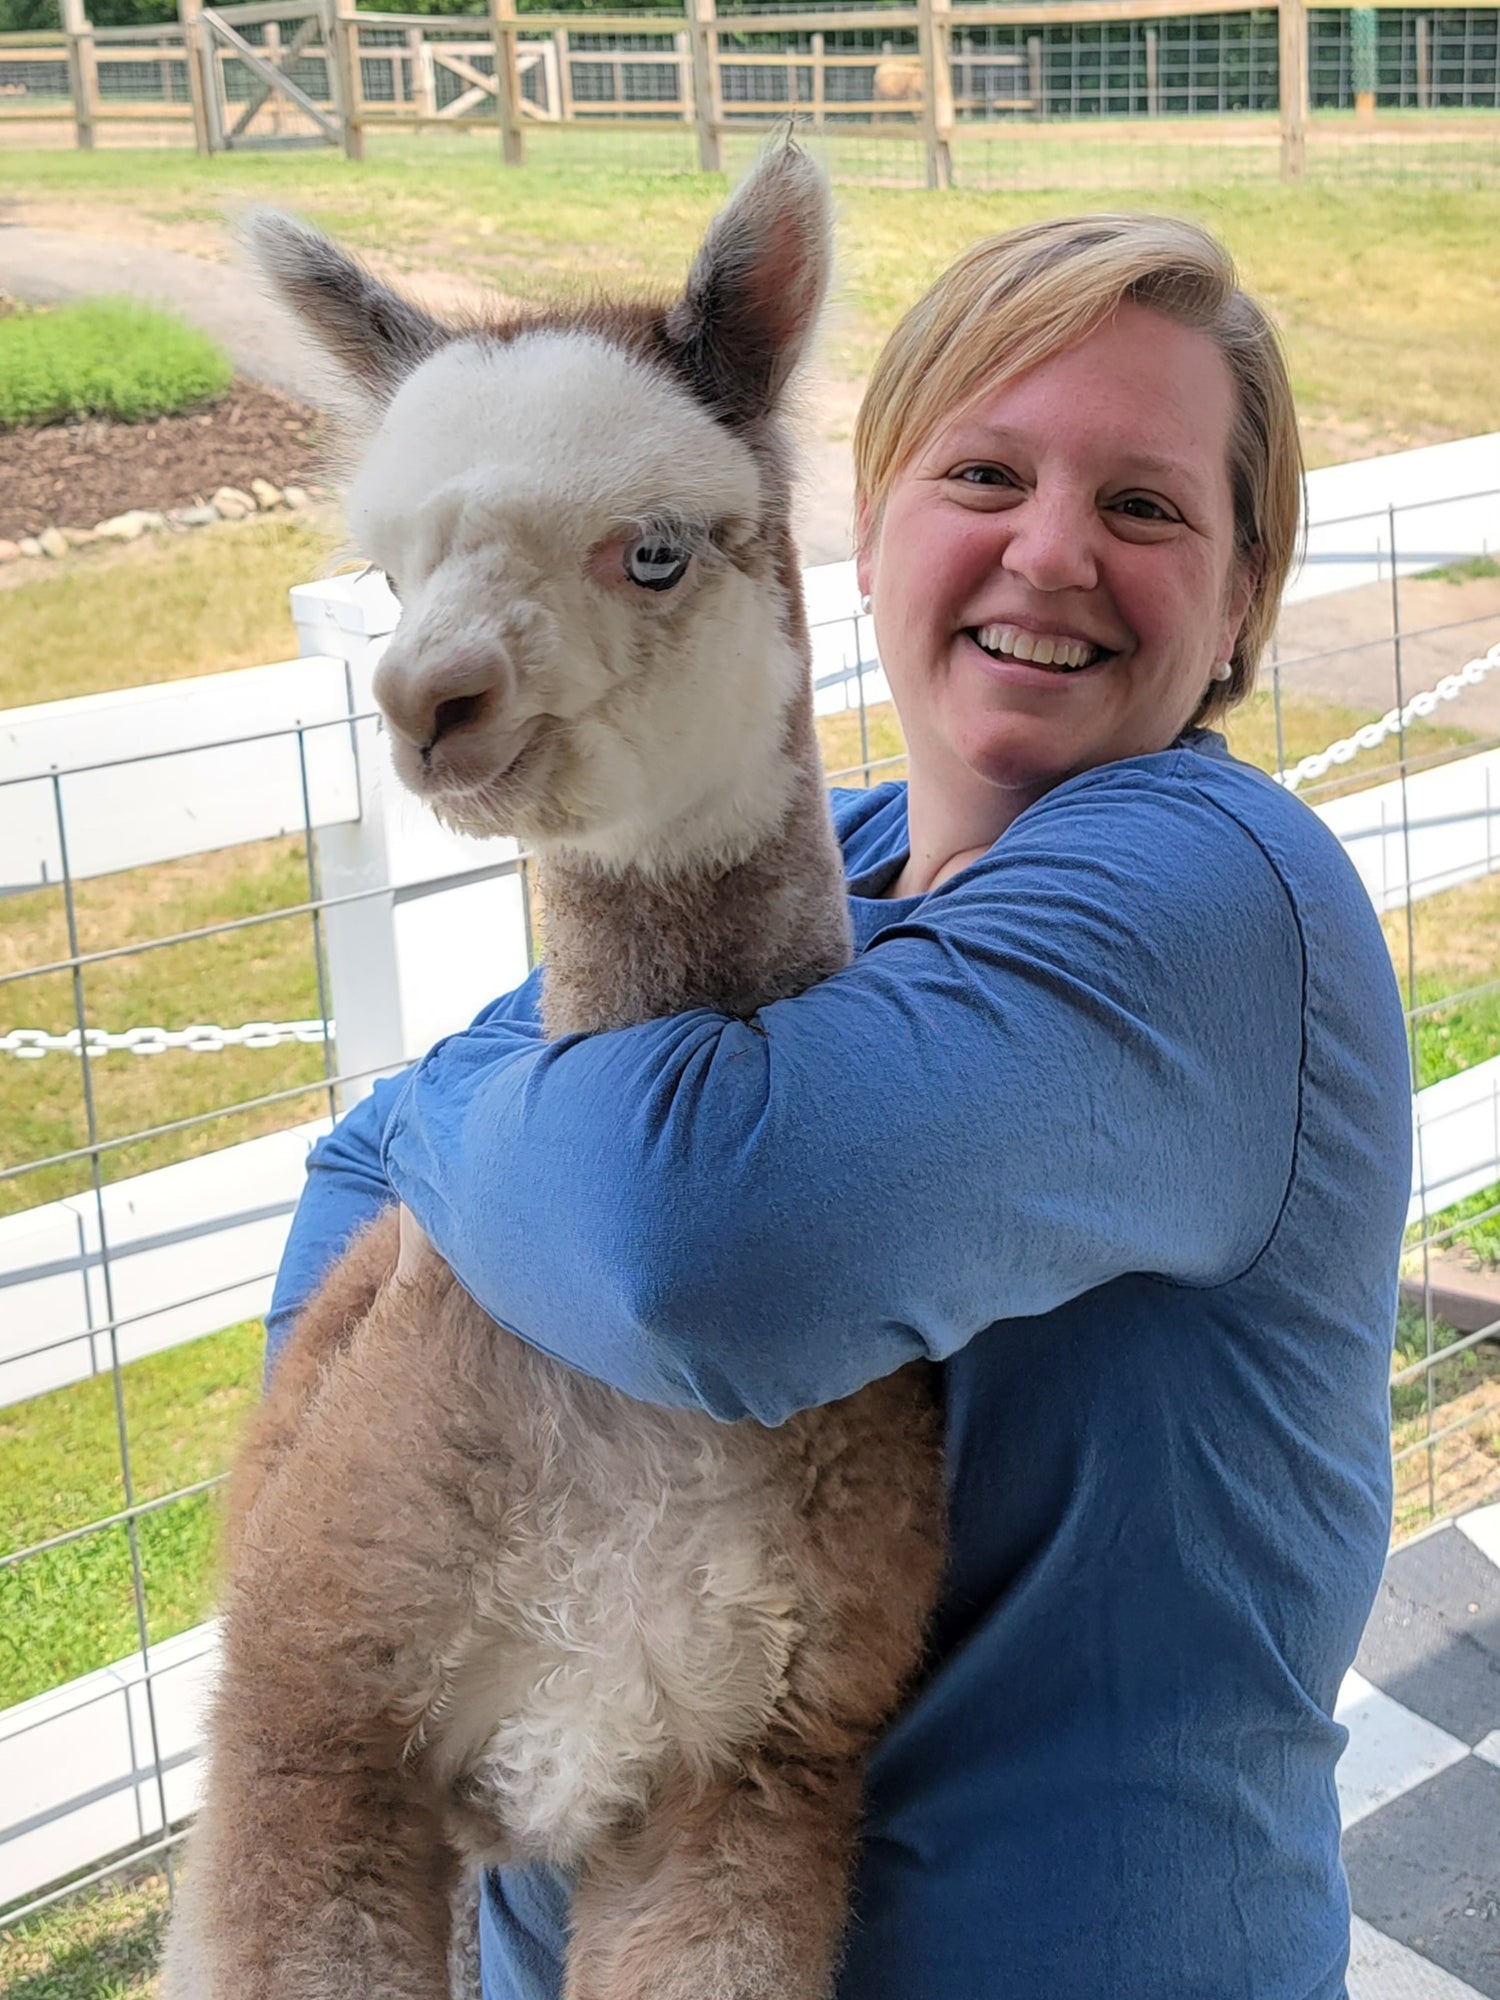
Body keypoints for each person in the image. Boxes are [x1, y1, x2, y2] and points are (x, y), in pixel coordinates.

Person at [265, 213, 1413, 1998]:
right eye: (982, 472)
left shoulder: (1213, 895)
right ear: (862, 529)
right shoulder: (850, 858)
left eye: (1148, 507)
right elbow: (361, 1177)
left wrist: (443, 1121)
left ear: (1246, 596)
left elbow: (708, 1244)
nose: (1050, 552)